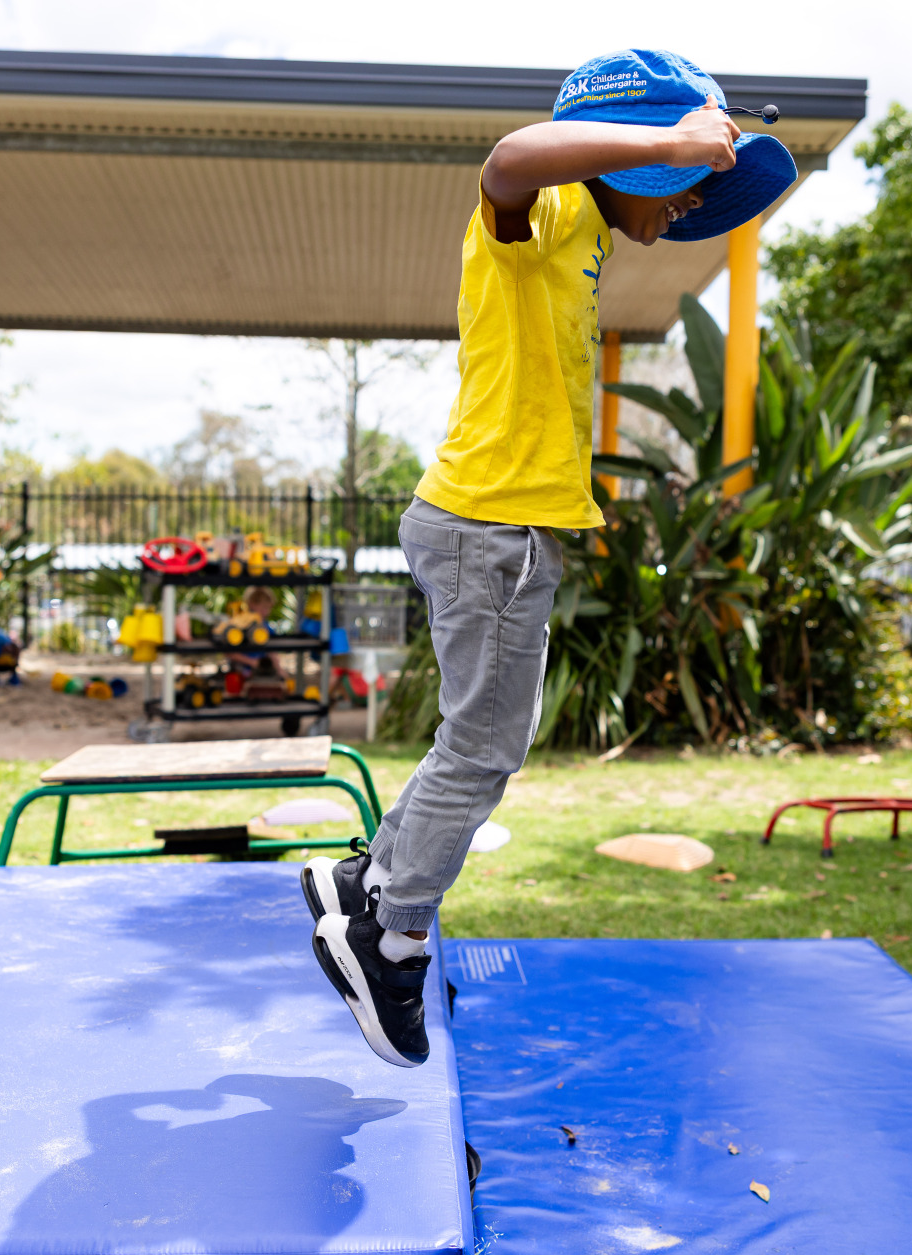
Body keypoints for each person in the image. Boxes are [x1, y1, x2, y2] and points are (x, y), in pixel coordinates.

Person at [301, 50, 797, 1067]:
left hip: (495, 524)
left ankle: (365, 877)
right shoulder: (552, 212)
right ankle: (385, 936)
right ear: (638, 160)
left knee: (468, 736)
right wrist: (668, 139)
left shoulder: (583, 237)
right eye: (686, 186)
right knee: (486, 746)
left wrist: (675, 150)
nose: (691, 205)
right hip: (494, 527)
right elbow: (508, 155)